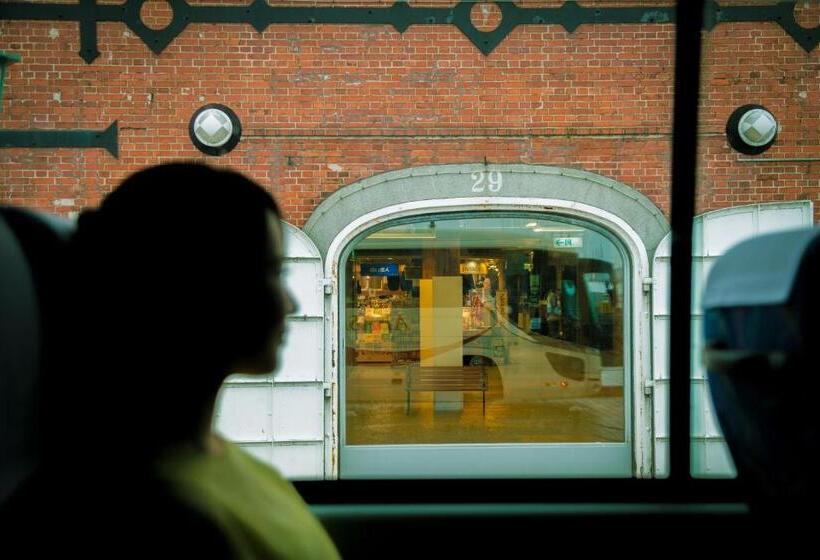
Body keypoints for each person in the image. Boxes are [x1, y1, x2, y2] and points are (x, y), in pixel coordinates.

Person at [8, 163, 341, 558]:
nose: (291, 302)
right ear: (191, 289)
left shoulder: (209, 460)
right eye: (269, 273)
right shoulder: (159, 521)